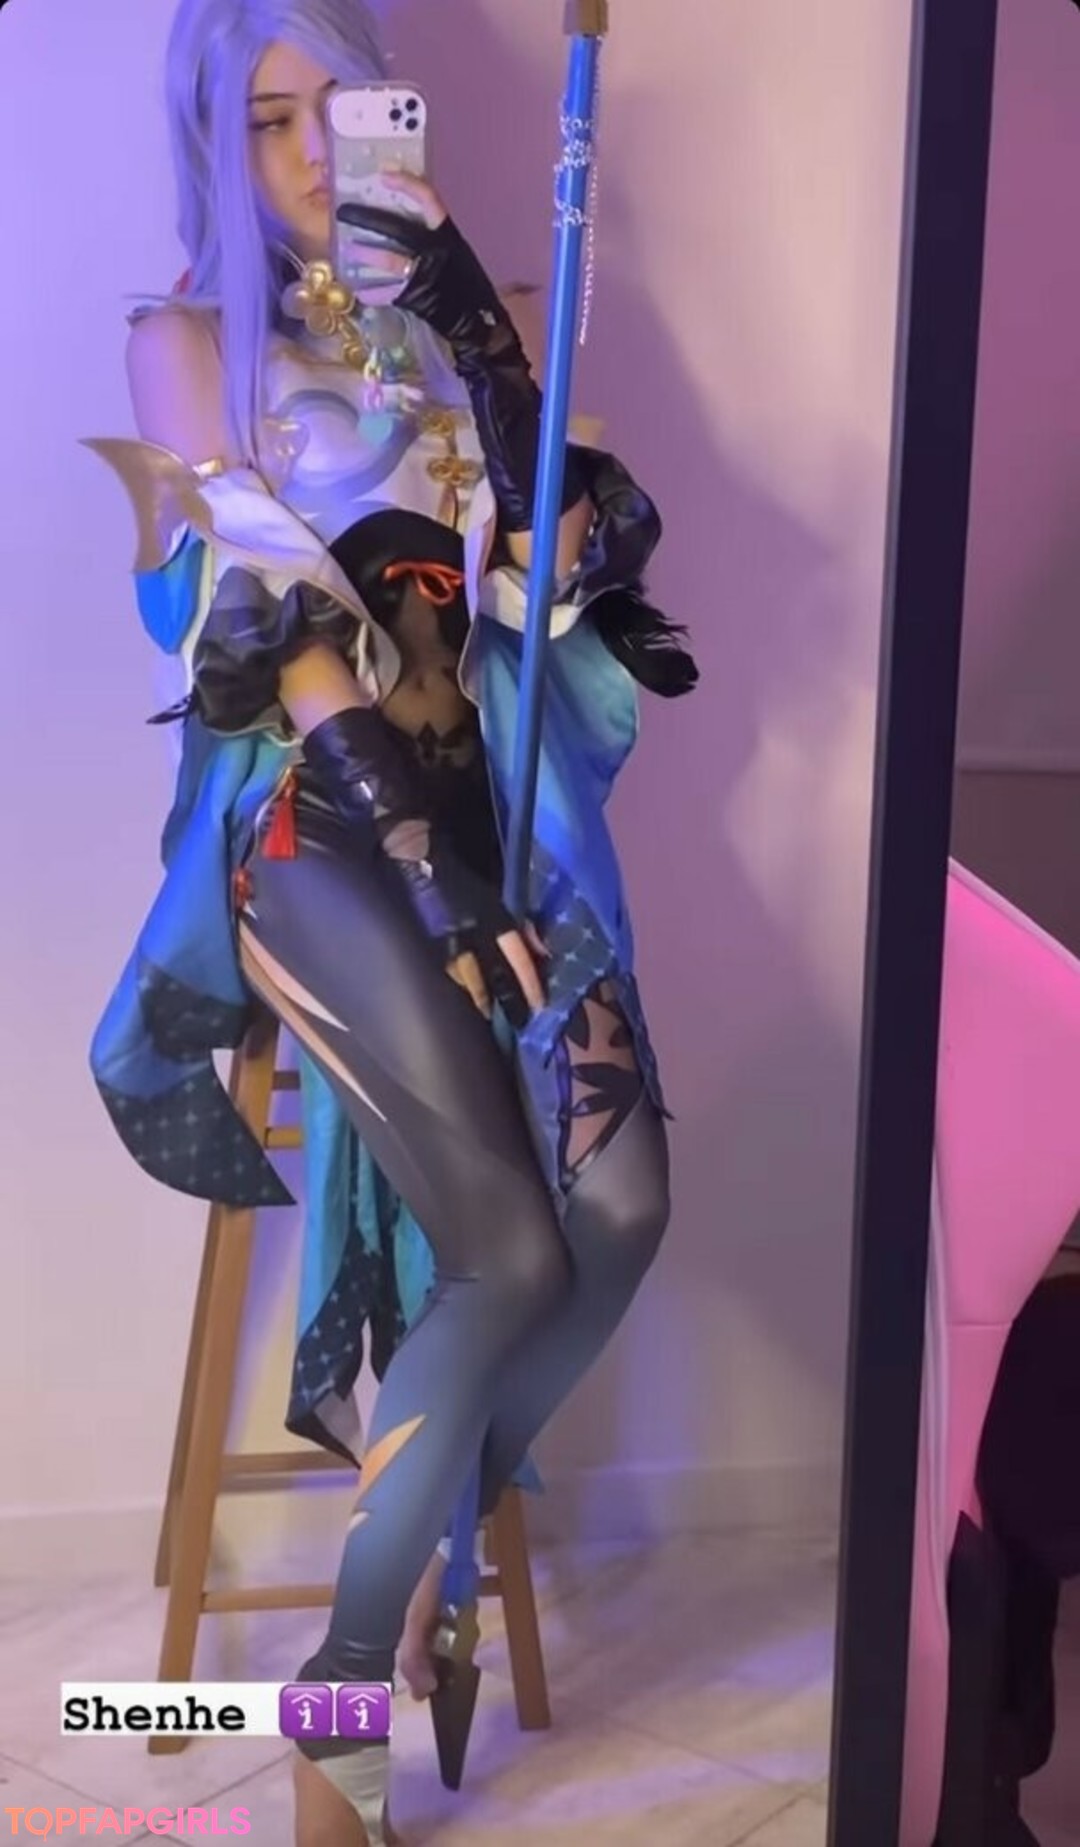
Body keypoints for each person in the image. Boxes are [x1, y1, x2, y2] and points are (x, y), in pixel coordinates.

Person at [86, 1, 696, 1839]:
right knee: (512, 1251)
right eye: (268, 120)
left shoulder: (469, 309)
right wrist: (424, 860)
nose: (306, 154)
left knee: (627, 1204)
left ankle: (418, 1559)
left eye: (337, 110)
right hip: (322, 828)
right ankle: (345, 1695)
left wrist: (477, 330)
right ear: (215, 135)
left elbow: (553, 548)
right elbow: (260, 618)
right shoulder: (189, 342)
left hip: (505, 814)